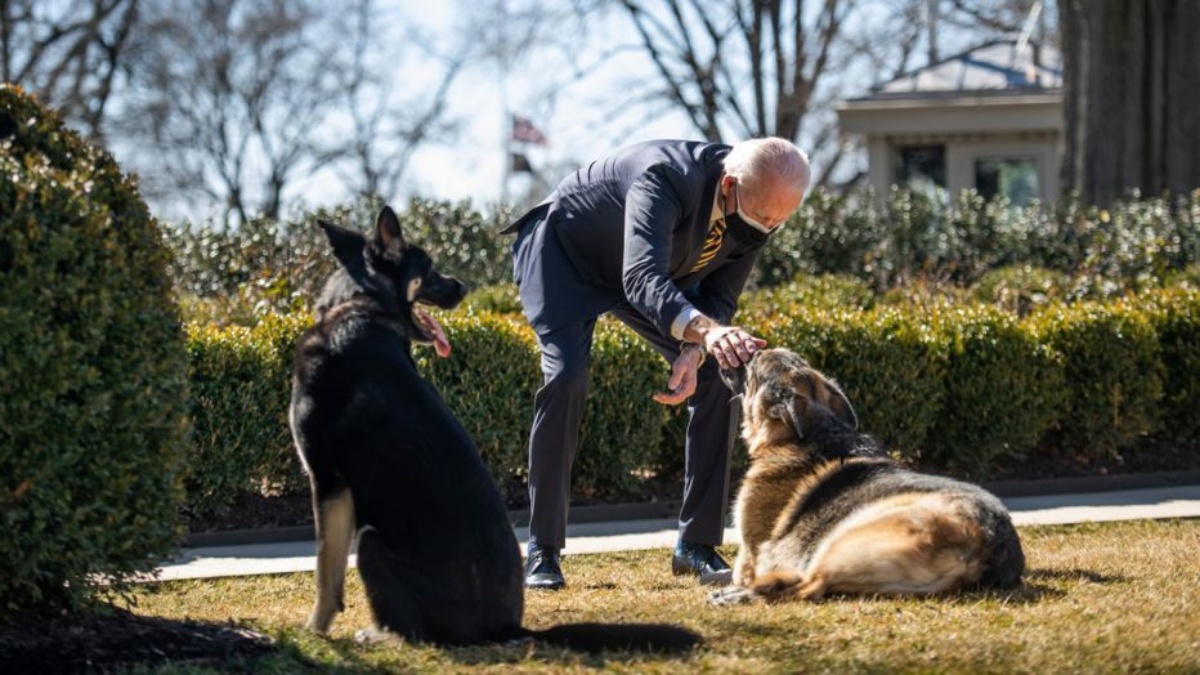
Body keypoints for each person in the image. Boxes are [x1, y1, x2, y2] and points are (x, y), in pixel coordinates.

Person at [502, 137, 810, 589]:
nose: (768, 228)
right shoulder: (663, 178)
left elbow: (720, 296)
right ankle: (542, 551)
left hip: (641, 276)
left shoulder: (761, 201)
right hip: (563, 256)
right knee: (566, 376)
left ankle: (695, 546)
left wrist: (695, 349)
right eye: (763, 217)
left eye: (780, 220)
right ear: (728, 185)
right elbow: (642, 276)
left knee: (719, 376)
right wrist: (705, 330)